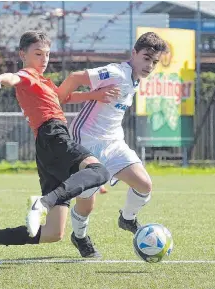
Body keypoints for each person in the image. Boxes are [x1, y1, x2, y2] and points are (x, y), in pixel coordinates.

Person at [0, 30, 119, 264]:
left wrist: (94, 95)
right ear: (23, 54)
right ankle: (43, 202)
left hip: (47, 147)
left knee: (52, 234)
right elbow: (14, 77)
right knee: (100, 172)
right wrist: (1, 77)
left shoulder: (44, 81)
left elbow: (63, 97)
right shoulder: (27, 74)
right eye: (38, 53)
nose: (44, 59)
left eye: (47, 54)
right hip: (53, 136)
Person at [29, 32, 169, 258]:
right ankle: (80, 237)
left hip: (113, 142)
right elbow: (74, 77)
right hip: (87, 144)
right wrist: (91, 95)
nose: (149, 65)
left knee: (144, 185)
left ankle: (127, 218)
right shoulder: (116, 72)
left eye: (154, 62)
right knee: (86, 207)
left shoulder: (134, 79)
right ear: (133, 53)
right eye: (145, 58)